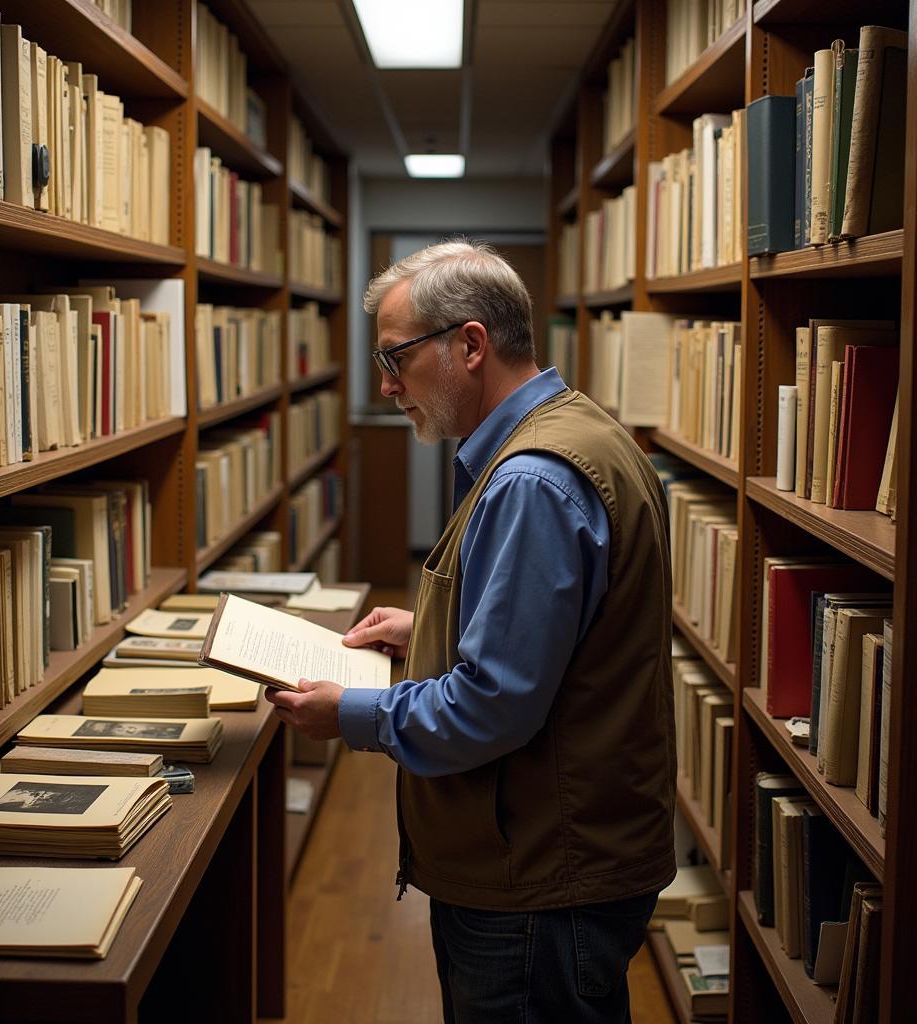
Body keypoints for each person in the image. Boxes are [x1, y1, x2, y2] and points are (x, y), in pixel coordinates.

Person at [265, 239, 676, 1023]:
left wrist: (348, 714)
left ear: (471, 345)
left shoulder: (532, 480)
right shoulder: (575, 427)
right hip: (559, 859)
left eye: (396, 360)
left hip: (539, 879)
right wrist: (433, 625)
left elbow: (492, 705)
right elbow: (567, 632)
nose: (386, 386)